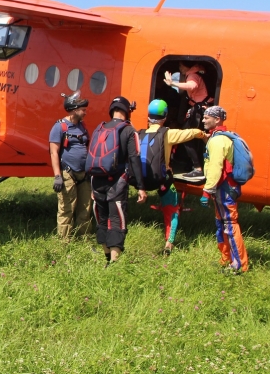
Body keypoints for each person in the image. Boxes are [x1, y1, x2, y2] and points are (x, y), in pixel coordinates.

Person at [85, 96, 148, 266]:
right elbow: (134, 158)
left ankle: (106, 257)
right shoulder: (128, 130)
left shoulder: (100, 128)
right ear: (127, 111)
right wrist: (141, 187)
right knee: (116, 220)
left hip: (96, 180)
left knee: (102, 218)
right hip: (116, 182)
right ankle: (113, 263)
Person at [139, 99, 206, 255]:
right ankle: (169, 243)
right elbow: (191, 133)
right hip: (163, 180)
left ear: (149, 117)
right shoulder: (168, 133)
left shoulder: (139, 134)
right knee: (172, 210)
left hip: (142, 180)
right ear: (165, 117)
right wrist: (203, 135)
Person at [201, 106, 249, 273]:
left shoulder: (217, 140)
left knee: (229, 224)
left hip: (224, 189)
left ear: (217, 120)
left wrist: (207, 191)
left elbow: (215, 167)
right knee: (221, 223)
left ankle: (240, 265)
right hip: (226, 187)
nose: (203, 120)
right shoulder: (222, 137)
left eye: (207, 117)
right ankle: (225, 259)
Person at [48, 91, 92, 241]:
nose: (85, 112)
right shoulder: (59, 127)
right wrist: (57, 176)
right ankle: (64, 243)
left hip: (84, 174)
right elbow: (54, 152)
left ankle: (84, 239)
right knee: (67, 208)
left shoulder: (82, 126)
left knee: (85, 209)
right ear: (74, 109)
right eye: (83, 110)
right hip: (67, 173)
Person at [164, 62, 211, 178]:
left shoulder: (192, 76)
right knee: (196, 137)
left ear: (187, 66)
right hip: (200, 109)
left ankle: (197, 168)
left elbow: (192, 86)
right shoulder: (196, 73)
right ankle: (197, 164)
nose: (179, 69)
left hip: (199, 110)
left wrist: (172, 83)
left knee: (186, 136)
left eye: (181, 66)